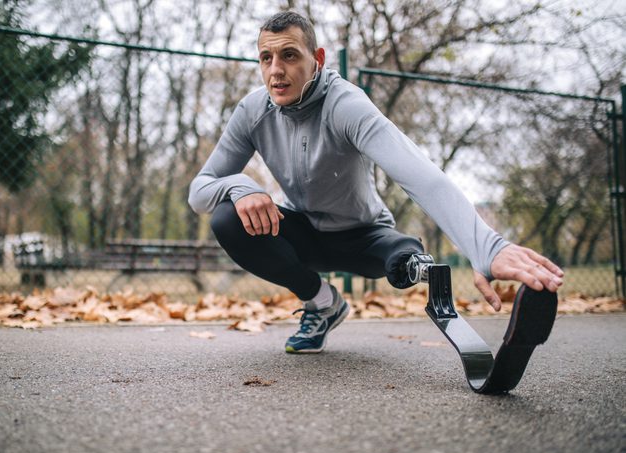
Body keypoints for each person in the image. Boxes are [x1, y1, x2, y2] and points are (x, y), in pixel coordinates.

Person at [188, 11, 563, 354]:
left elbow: (418, 174)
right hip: (303, 235)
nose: (275, 71)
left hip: (364, 237)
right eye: (265, 59)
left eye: (289, 55)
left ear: (316, 59)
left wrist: (488, 247)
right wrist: (241, 186)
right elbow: (200, 190)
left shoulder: (345, 105)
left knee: (402, 262)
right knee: (226, 218)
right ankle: (322, 303)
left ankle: (414, 261)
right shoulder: (253, 111)